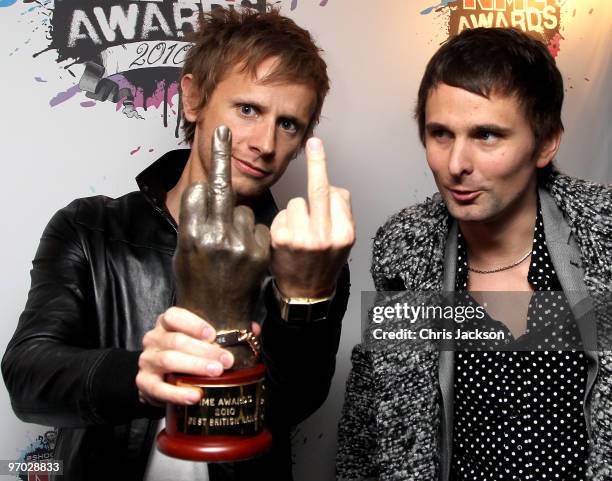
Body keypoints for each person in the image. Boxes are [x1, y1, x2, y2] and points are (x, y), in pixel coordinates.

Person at [2, 8, 355, 481]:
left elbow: (292, 404)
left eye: (288, 124)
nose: (266, 142)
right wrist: (141, 378)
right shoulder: (90, 228)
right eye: (248, 109)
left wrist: (302, 298)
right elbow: (28, 376)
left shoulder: (305, 255)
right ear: (193, 98)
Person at [337, 27, 611, 481]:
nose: (456, 164)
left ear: (545, 142)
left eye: (487, 135)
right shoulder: (404, 251)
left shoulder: (602, 236)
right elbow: (370, 429)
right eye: (440, 134)